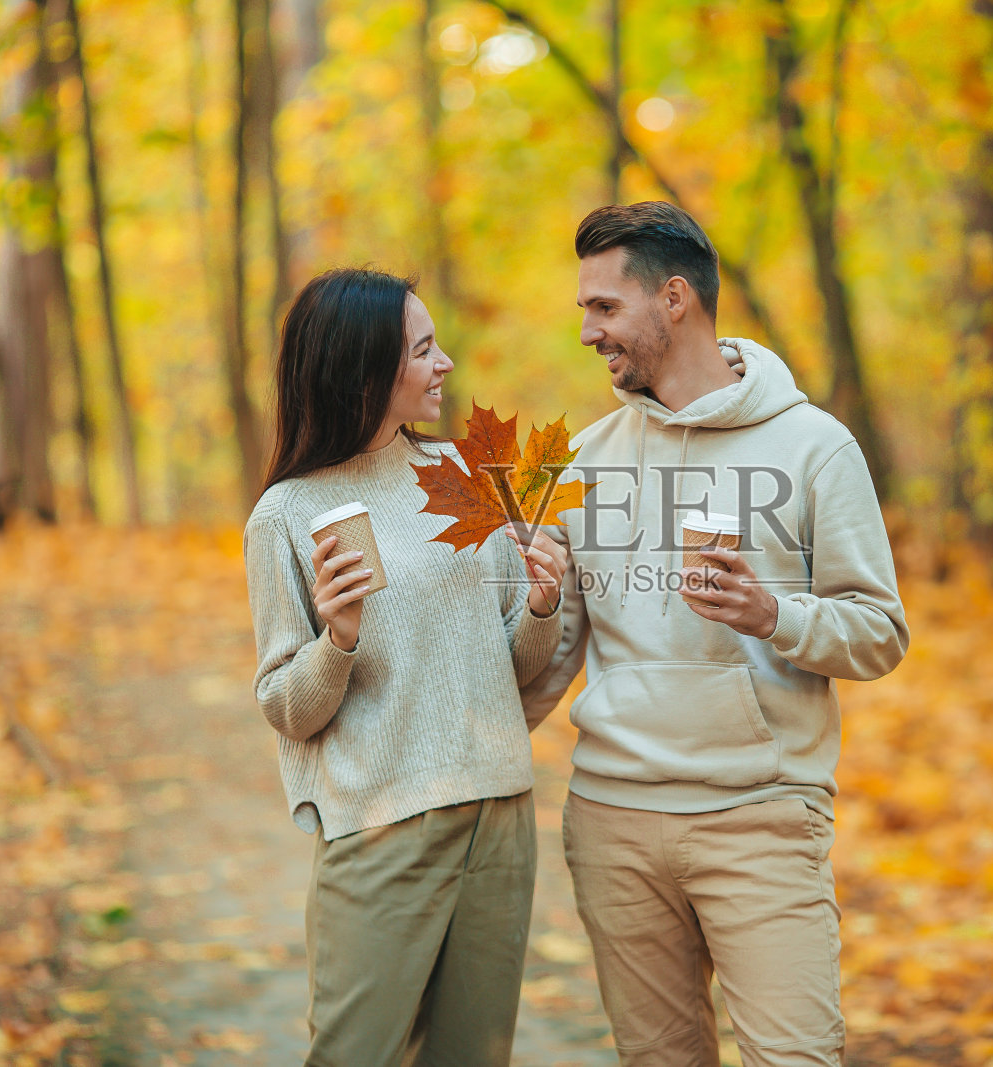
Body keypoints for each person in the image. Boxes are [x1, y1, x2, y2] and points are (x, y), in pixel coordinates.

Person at [521, 203, 909, 1067]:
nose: (587, 331)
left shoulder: (816, 447)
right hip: (614, 821)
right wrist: (534, 609)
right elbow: (551, 664)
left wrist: (773, 613)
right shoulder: (580, 458)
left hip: (761, 815)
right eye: (584, 309)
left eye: (603, 308)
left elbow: (880, 632)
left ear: (674, 299)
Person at [243, 267, 569, 1067]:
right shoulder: (285, 514)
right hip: (381, 830)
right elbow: (286, 704)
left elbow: (514, 666)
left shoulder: (460, 476)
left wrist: (540, 603)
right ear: (365, 373)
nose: (445, 363)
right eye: (424, 350)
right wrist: (338, 640)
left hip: (499, 818)